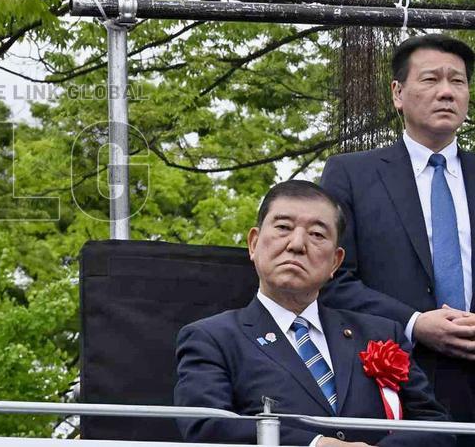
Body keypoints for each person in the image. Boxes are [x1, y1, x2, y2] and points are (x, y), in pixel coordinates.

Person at [175, 181, 452, 446]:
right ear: (253, 243)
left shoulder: (381, 334)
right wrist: (316, 444)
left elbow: (436, 427)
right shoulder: (212, 338)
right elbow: (206, 426)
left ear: (336, 261)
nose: (297, 244)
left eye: (317, 234)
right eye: (283, 227)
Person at [319, 34, 475, 436]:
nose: (446, 92)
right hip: (392, 382)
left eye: (457, 82)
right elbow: (332, 281)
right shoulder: (352, 174)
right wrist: (414, 322)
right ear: (398, 93)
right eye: (430, 80)